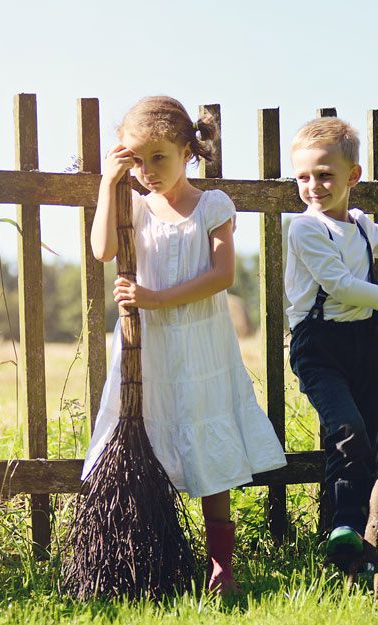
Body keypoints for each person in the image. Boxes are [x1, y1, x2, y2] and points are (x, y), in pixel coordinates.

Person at [82, 96, 287, 595]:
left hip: (201, 346)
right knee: (146, 437)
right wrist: (109, 183)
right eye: (138, 159)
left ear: (187, 153)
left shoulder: (211, 206)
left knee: (207, 446)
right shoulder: (132, 206)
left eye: (160, 158)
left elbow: (222, 276)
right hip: (147, 350)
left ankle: (221, 568)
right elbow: (102, 250)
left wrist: (155, 299)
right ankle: (151, 553)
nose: (148, 171)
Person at [284, 117, 378, 573]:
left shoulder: (362, 226)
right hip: (318, 345)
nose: (313, 186)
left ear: (353, 176)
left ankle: (362, 540)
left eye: (325, 175)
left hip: (364, 343)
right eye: (303, 177)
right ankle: (343, 528)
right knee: (346, 429)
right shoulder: (305, 229)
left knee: (366, 436)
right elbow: (341, 286)